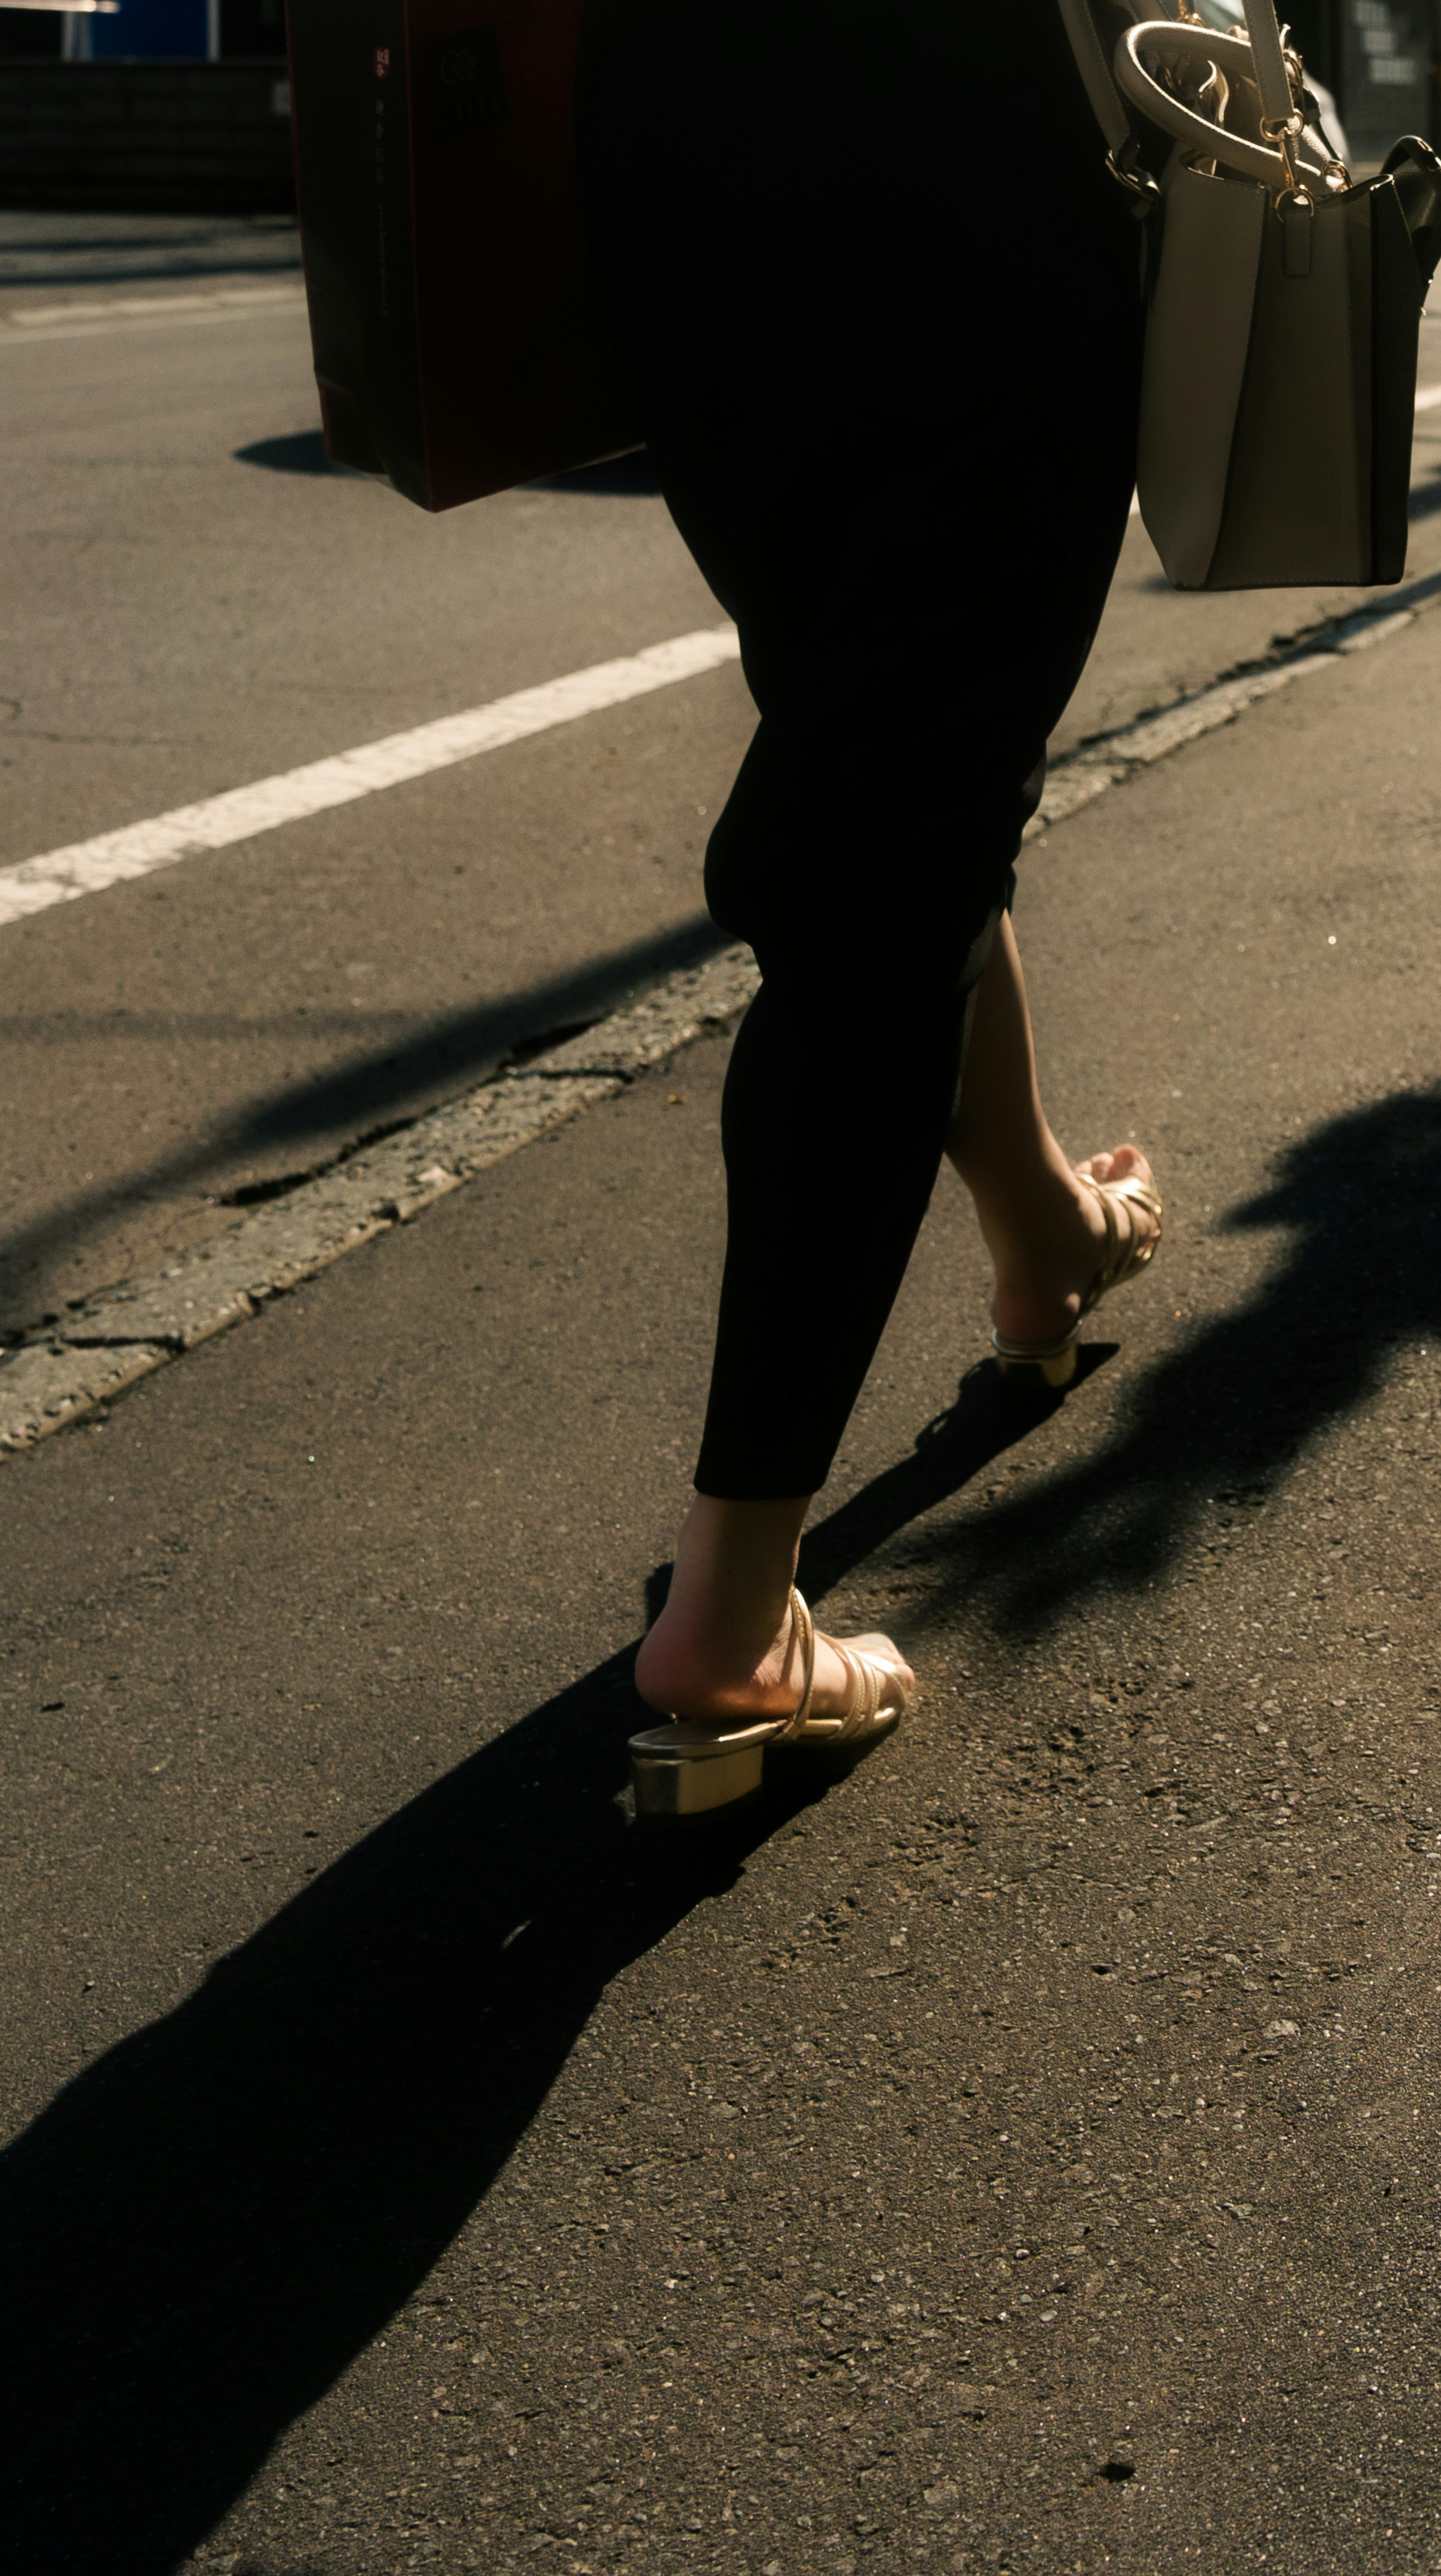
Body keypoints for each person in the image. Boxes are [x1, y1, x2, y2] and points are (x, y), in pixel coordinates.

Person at [578, 1, 1164, 1816]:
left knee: (893, 751)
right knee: (886, 834)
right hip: (962, 142)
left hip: (681, 145)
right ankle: (737, 1615)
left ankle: (1048, 1223)